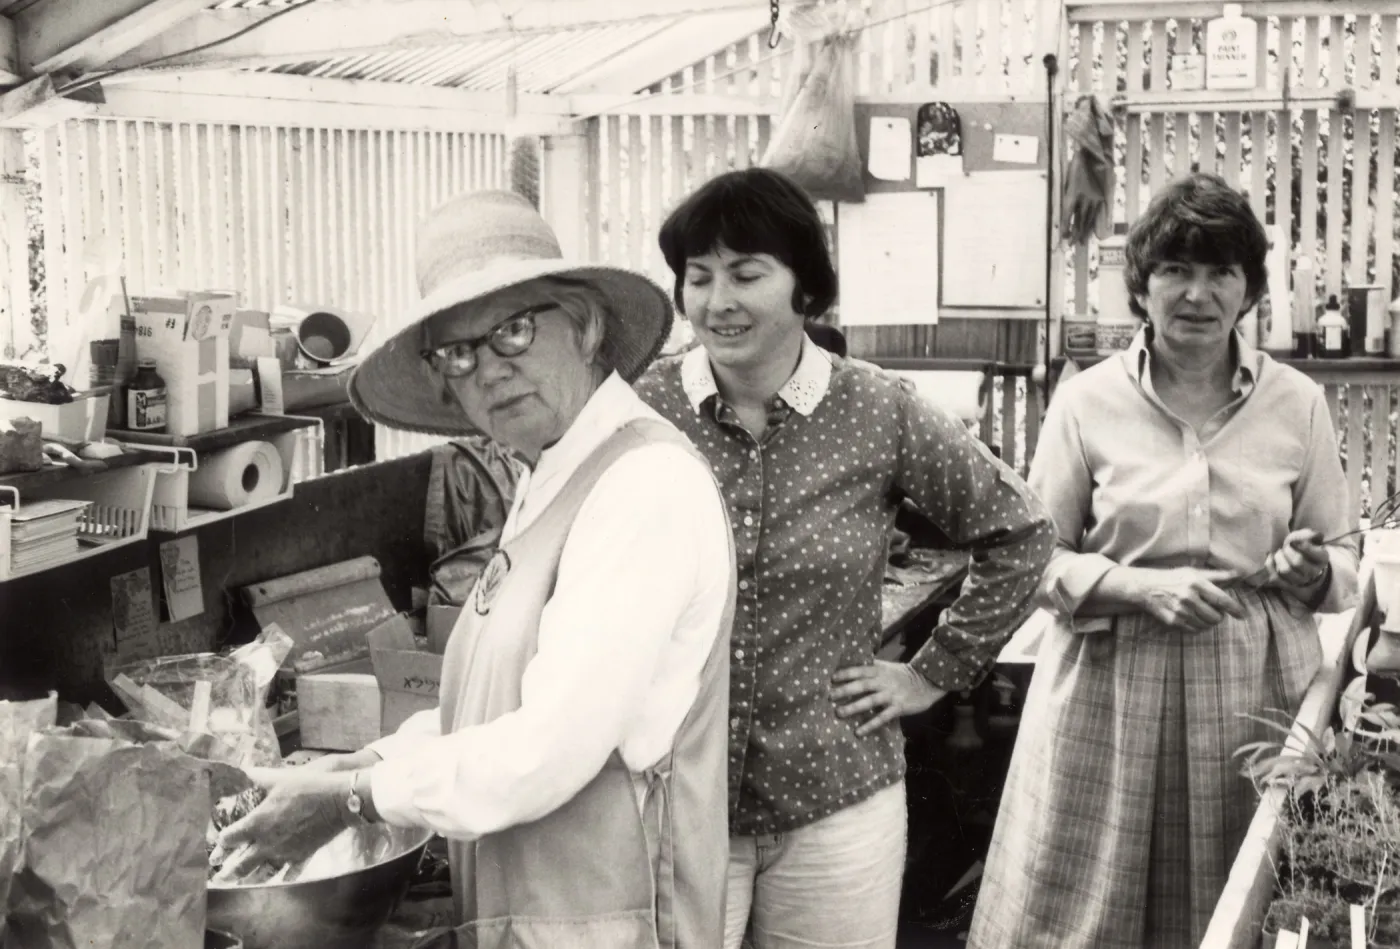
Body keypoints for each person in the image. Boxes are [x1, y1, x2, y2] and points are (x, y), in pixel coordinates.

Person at [219, 189, 736, 947]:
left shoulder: (642, 484)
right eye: (459, 352)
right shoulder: (552, 472)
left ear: (587, 327)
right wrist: (363, 761)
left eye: (515, 331)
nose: (489, 370)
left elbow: (544, 750)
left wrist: (351, 800)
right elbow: (492, 710)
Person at [634, 166, 1055, 949]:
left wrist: (934, 671)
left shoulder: (875, 409)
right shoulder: (642, 411)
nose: (717, 300)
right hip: (670, 798)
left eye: (746, 274)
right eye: (698, 277)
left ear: (806, 289)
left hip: (836, 796)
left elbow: (1019, 530)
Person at [969, 172, 1360, 949]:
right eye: (1176, 270)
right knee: (1085, 908)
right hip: (1108, 689)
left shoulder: (1297, 403)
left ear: (1247, 292)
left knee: (1238, 897)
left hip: (1253, 687)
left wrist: (1308, 570)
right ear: (1142, 287)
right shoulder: (1087, 402)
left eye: (1221, 273)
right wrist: (1140, 587)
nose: (1197, 293)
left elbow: (1342, 559)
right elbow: (1034, 561)